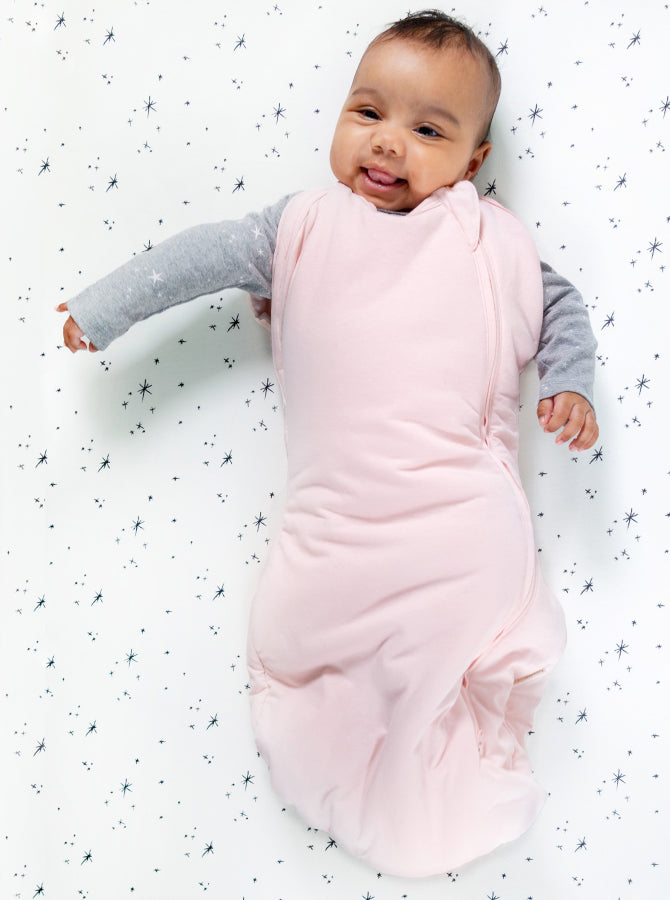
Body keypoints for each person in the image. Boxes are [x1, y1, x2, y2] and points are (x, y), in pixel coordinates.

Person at [58, 10, 598, 877]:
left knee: (449, 641)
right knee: (301, 636)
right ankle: (362, 771)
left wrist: (568, 381)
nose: (387, 142)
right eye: (368, 112)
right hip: (336, 524)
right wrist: (106, 308)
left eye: (428, 131)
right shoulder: (302, 227)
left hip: (459, 521)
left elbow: (559, 304)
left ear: (473, 164)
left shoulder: (488, 239)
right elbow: (200, 258)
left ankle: (447, 764)